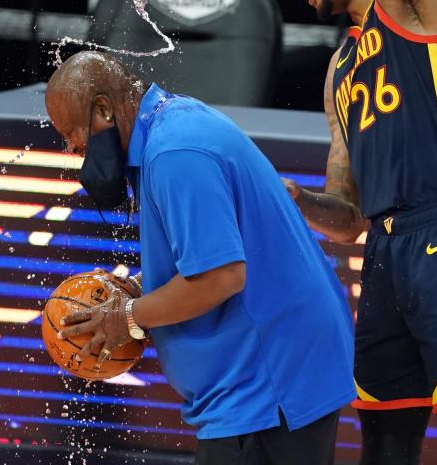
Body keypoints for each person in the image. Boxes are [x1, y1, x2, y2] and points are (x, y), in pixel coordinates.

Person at [149, 0, 437, 464]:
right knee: (383, 443)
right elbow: (347, 218)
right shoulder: (341, 68)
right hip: (384, 250)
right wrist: (298, 201)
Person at [46, 51, 356, 465]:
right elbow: (209, 252)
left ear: (103, 109)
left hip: (268, 383)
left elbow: (220, 277)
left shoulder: (174, 152)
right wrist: (144, 287)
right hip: (269, 374)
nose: (72, 148)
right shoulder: (170, 128)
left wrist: (129, 316)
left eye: (71, 132)